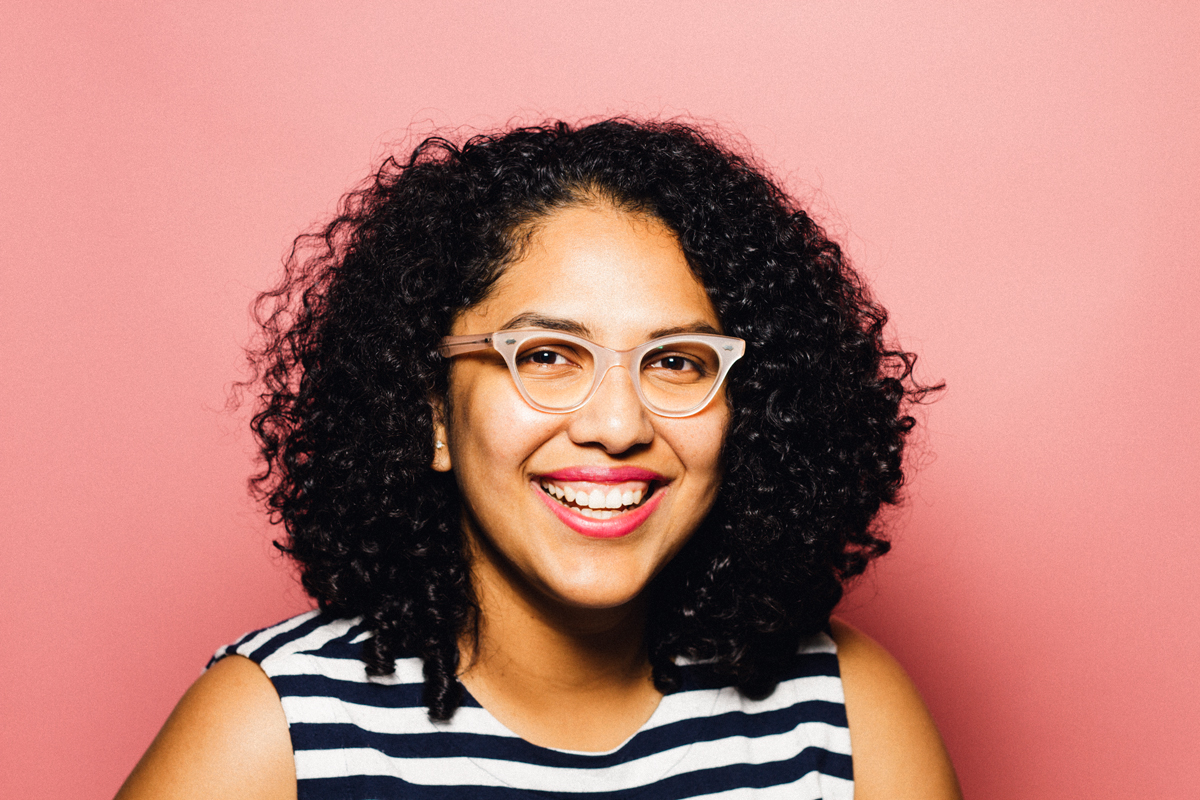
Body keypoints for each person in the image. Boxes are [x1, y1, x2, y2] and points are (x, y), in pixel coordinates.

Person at [116, 119, 961, 799]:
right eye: (548, 355)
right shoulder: (274, 737)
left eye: (676, 362)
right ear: (432, 414)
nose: (618, 424)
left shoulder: (844, 716)